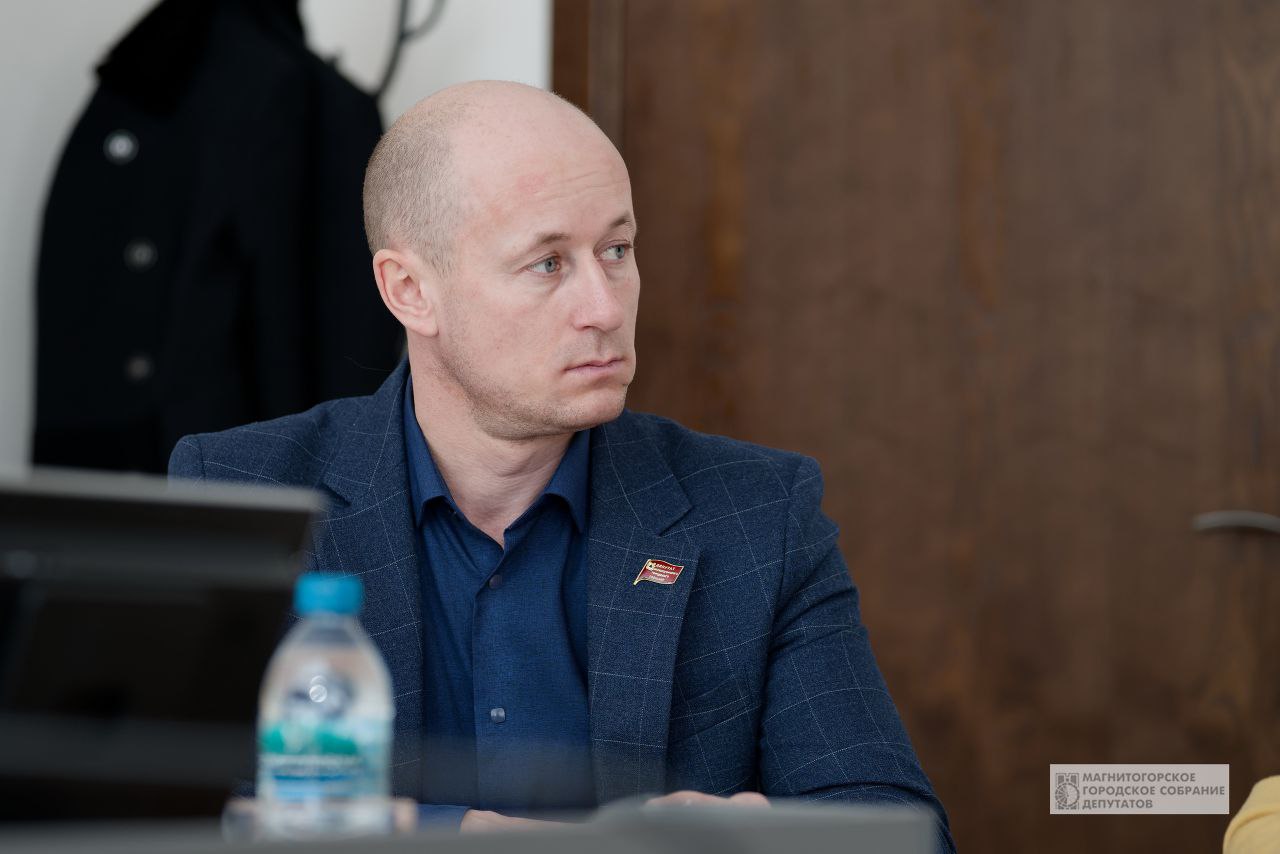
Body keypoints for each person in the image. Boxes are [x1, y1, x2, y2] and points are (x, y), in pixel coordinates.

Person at [168, 80, 954, 849]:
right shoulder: (244, 493)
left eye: (617, 250)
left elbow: (897, 827)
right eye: (547, 263)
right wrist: (461, 836)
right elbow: (173, 814)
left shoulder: (758, 514)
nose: (605, 307)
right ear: (409, 291)